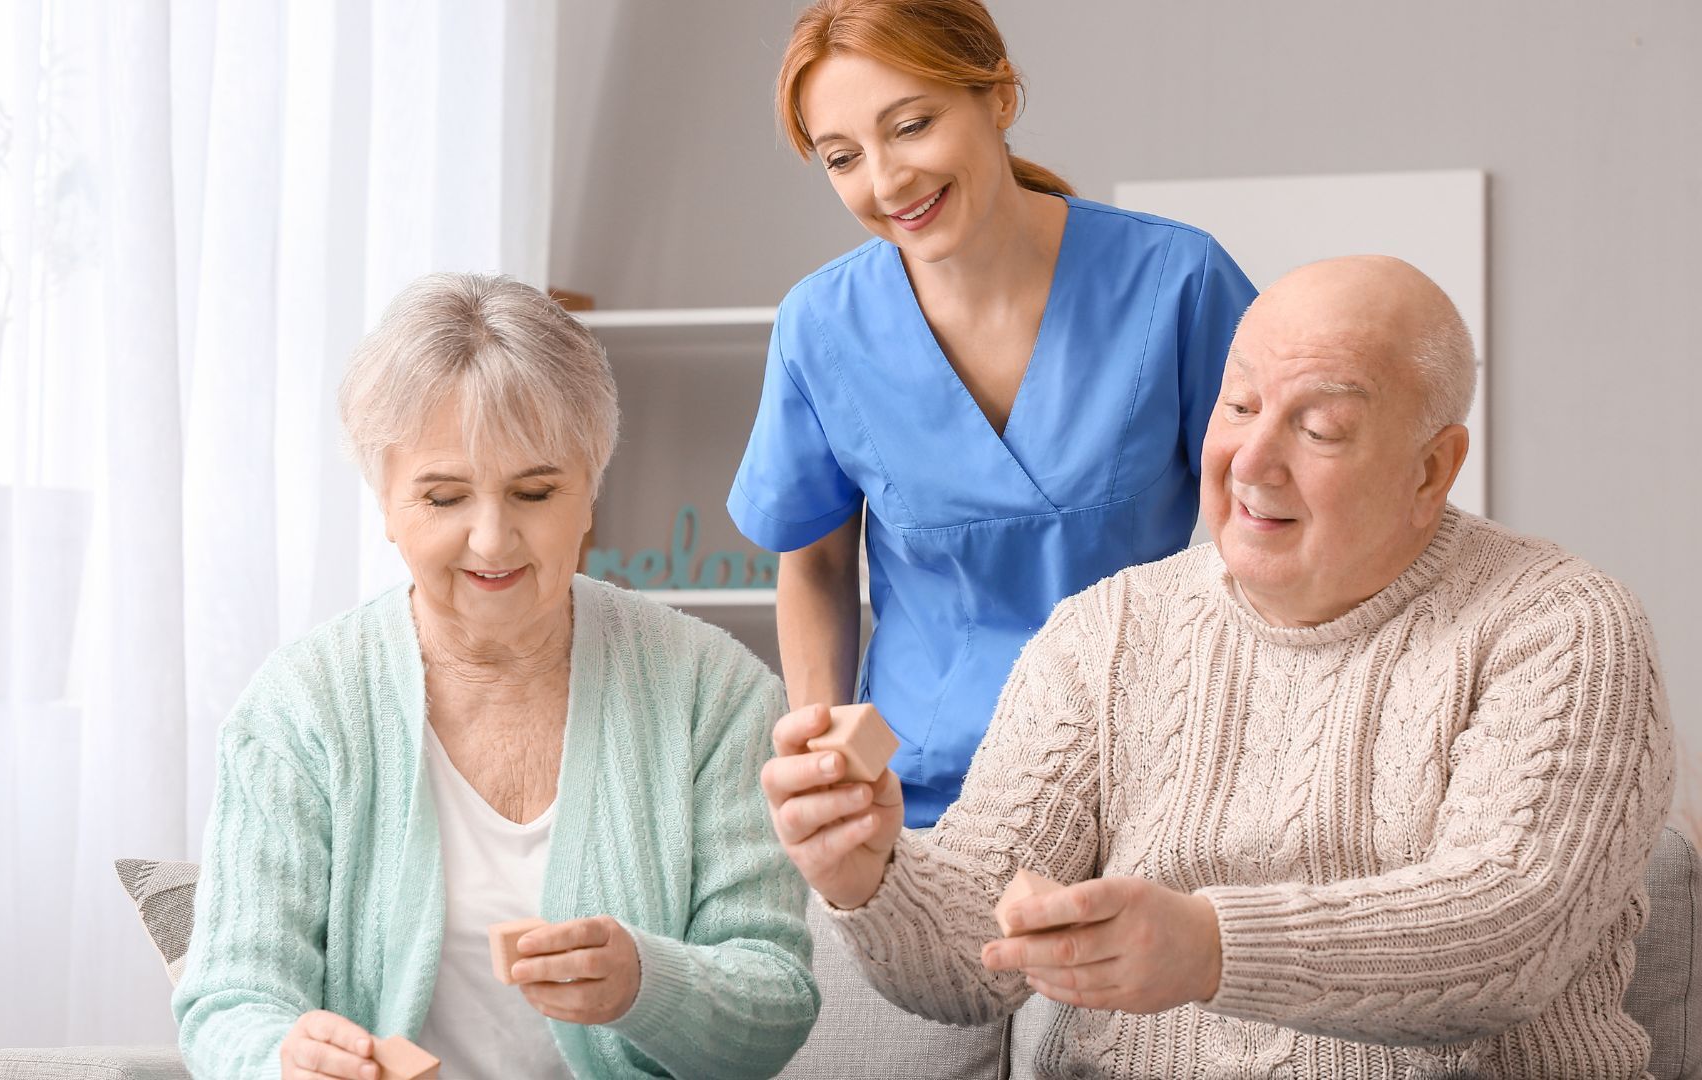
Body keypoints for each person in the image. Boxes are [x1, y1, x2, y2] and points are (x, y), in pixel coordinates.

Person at [762, 256, 1674, 1077]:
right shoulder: (1105, 631)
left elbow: (1504, 935)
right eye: (1237, 408)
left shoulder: (1561, 623)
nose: (1253, 460)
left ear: (1433, 469)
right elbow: (973, 958)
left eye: (1319, 428)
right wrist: (870, 876)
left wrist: (1211, 948)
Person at [174, 273, 818, 1080]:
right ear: (385, 503)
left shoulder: (713, 696)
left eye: (535, 491)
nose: (491, 539)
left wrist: (648, 984)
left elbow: (777, 1009)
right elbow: (230, 1001)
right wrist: (284, 1062)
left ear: (590, 490)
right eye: (444, 497)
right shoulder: (299, 709)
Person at [729, 0, 1258, 826]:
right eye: (843, 158)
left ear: (999, 97)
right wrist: (826, 750)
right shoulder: (823, 326)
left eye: (911, 125)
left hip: (1151, 777)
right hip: (923, 794)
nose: (886, 181)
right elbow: (817, 564)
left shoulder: (1175, 280)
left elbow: (1263, 516)